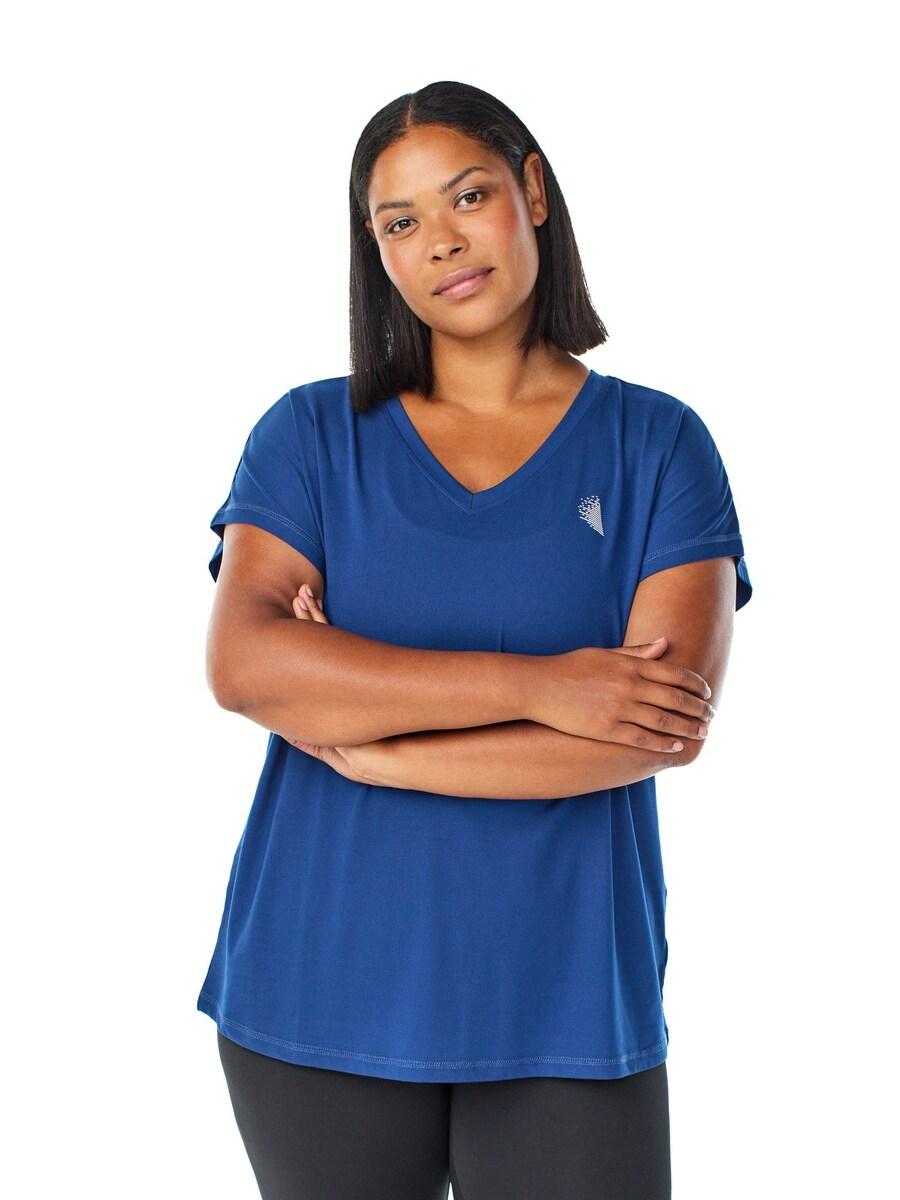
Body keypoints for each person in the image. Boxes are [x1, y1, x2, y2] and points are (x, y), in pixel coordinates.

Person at [198, 80, 753, 1200]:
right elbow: (246, 665)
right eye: (400, 222)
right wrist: (545, 687)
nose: (441, 242)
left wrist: (373, 744)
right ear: (376, 253)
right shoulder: (309, 435)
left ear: (532, 192)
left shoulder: (658, 445)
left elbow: (655, 728)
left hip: (568, 1002)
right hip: (318, 984)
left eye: (467, 196)